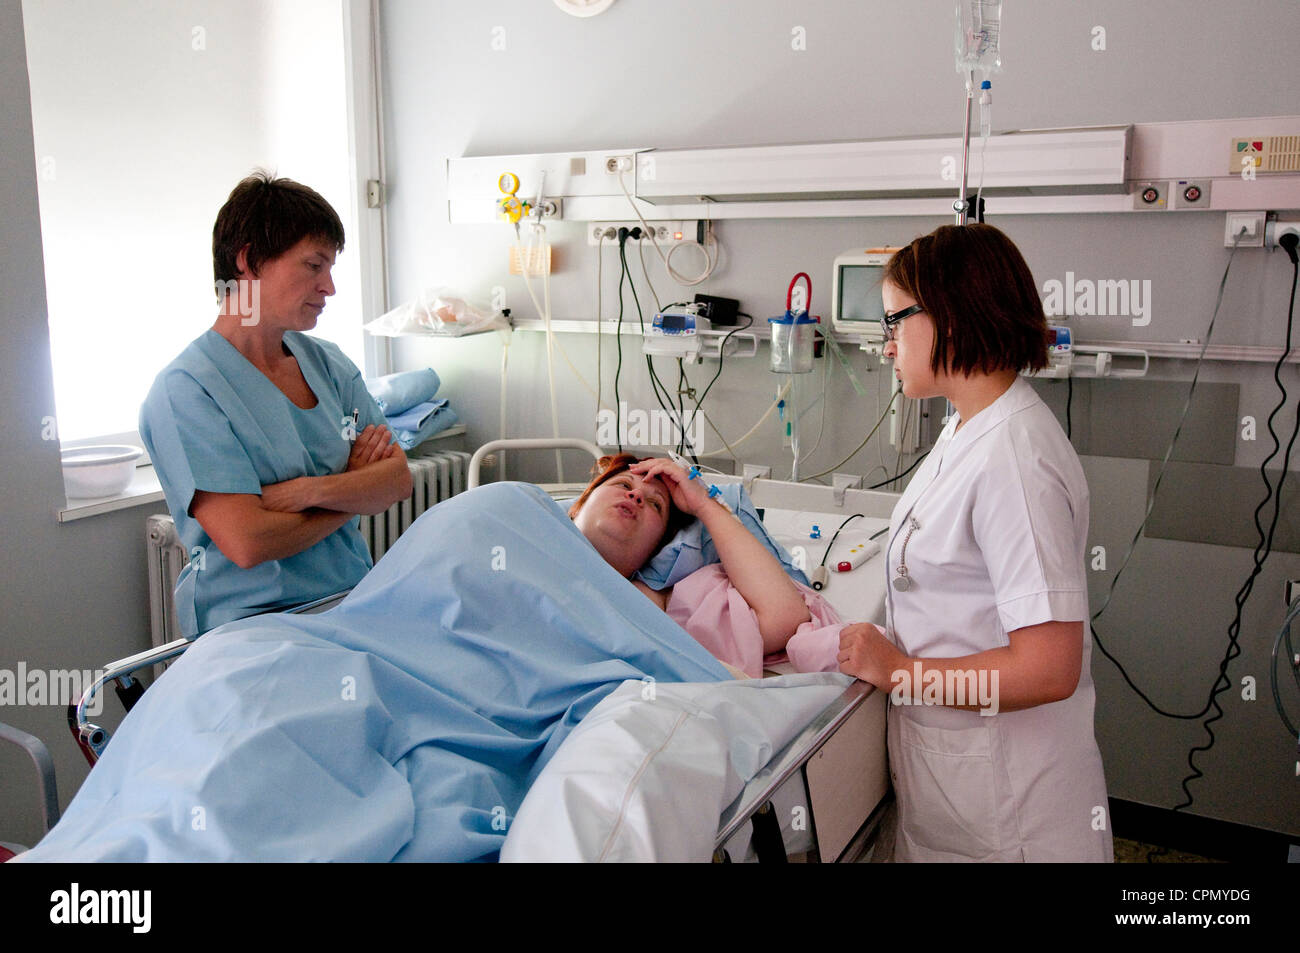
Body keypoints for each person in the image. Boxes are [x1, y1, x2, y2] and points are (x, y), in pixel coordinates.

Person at [835, 223, 1112, 862]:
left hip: (1011, 807)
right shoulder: (966, 428)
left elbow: (1049, 669)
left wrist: (902, 673)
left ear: (950, 318)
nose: (887, 346)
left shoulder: (1016, 459)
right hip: (959, 787)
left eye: (894, 323)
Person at [139, 172, 412, 637]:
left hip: (349, 604)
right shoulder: (186, 391)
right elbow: (248, 542)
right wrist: (352, 492)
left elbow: (397, 480)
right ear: (248, 261)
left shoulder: (327, 364)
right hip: (253, 629)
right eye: (313, 265)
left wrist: (308, 492)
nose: (329, 287)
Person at [568, 454, 826, 675]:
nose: (635, 495)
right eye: (624, 483)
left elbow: (784, 617)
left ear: (656, 548)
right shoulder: (531, 518)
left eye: (655, 504)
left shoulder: (653, 603)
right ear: (579, 505)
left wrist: (704, 504)